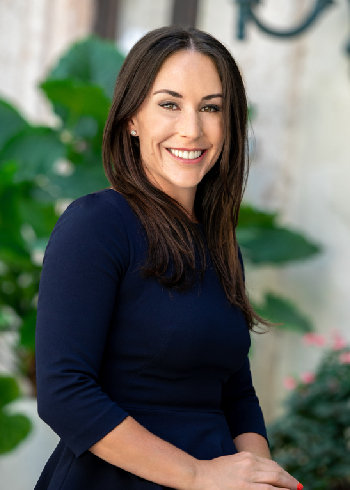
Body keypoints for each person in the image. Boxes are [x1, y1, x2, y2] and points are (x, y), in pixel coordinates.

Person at [35, 26, 302, 490]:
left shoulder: (221, 243)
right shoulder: (96, 225)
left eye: (211, 108)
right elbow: (64, 393)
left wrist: (261, 477)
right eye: (169, 104)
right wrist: (197, 475)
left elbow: (235, 392)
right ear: (131, 118)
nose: (192, 129)